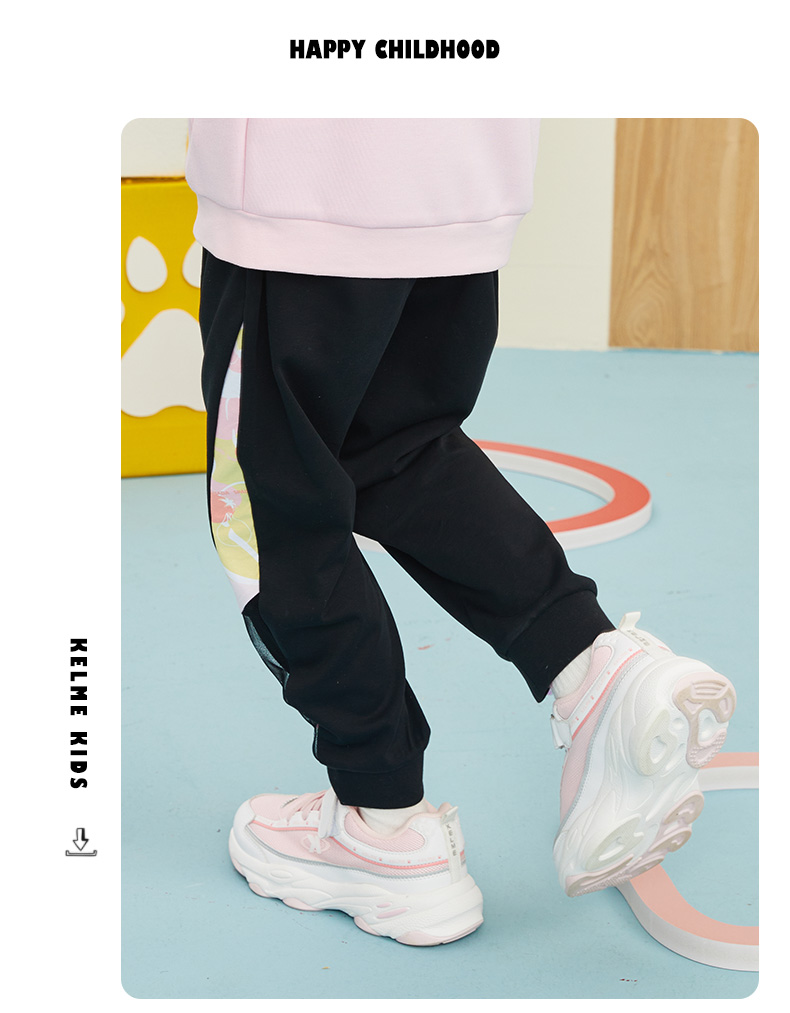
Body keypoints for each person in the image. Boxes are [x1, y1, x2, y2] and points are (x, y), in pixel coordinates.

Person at [185, 119, 735, 946]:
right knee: (395, 446)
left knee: (266, 502)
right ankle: (595, 670)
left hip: (306, 181)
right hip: (461, 177)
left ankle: (381, 824)